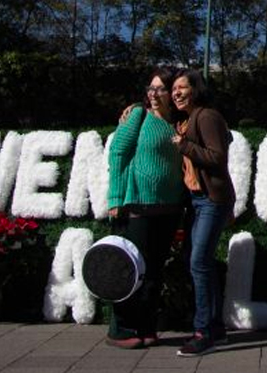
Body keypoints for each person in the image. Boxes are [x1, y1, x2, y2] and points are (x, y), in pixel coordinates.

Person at [104, 68, 186, 349]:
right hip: (137, 205)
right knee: (131, 268)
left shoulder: (179, 123)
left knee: (154, 272)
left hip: (169, 208)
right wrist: (115, 198)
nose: (154, 93)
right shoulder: (138, 115)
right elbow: (118, 152)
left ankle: (146, 326)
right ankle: (120, 328)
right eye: (151, 88)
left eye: (160, 89)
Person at [169, 68, 235, 358]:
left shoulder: (206, 116)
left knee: (198, 262)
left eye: (182, 88)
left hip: (211, 200)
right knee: (199, 261)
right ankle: (216, 328)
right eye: (174, 89)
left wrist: (184, 146)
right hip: (196, 200)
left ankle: (203, 332)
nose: (176, 93)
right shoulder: (183, 121)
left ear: (196, 90)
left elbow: (218, 157)